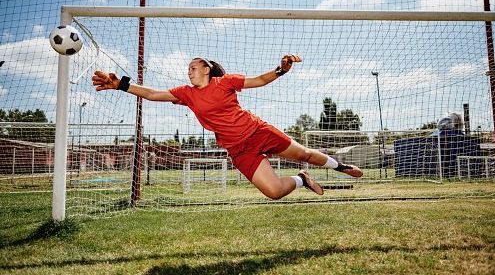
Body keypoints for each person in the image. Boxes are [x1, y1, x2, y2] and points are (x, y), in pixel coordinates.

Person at [92, 55, 363, 200]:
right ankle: (302, 179)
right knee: (275, 193)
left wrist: (281, 70)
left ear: (208, 69)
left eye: (194, 66)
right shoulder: (186, 93)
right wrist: (120, 85)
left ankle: (339, 167)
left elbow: (258, 80)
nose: (189, 70)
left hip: (258, 131)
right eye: (187, 68)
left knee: (303, 153)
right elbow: (152, 94)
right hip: (238, 149)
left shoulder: (226, 82)